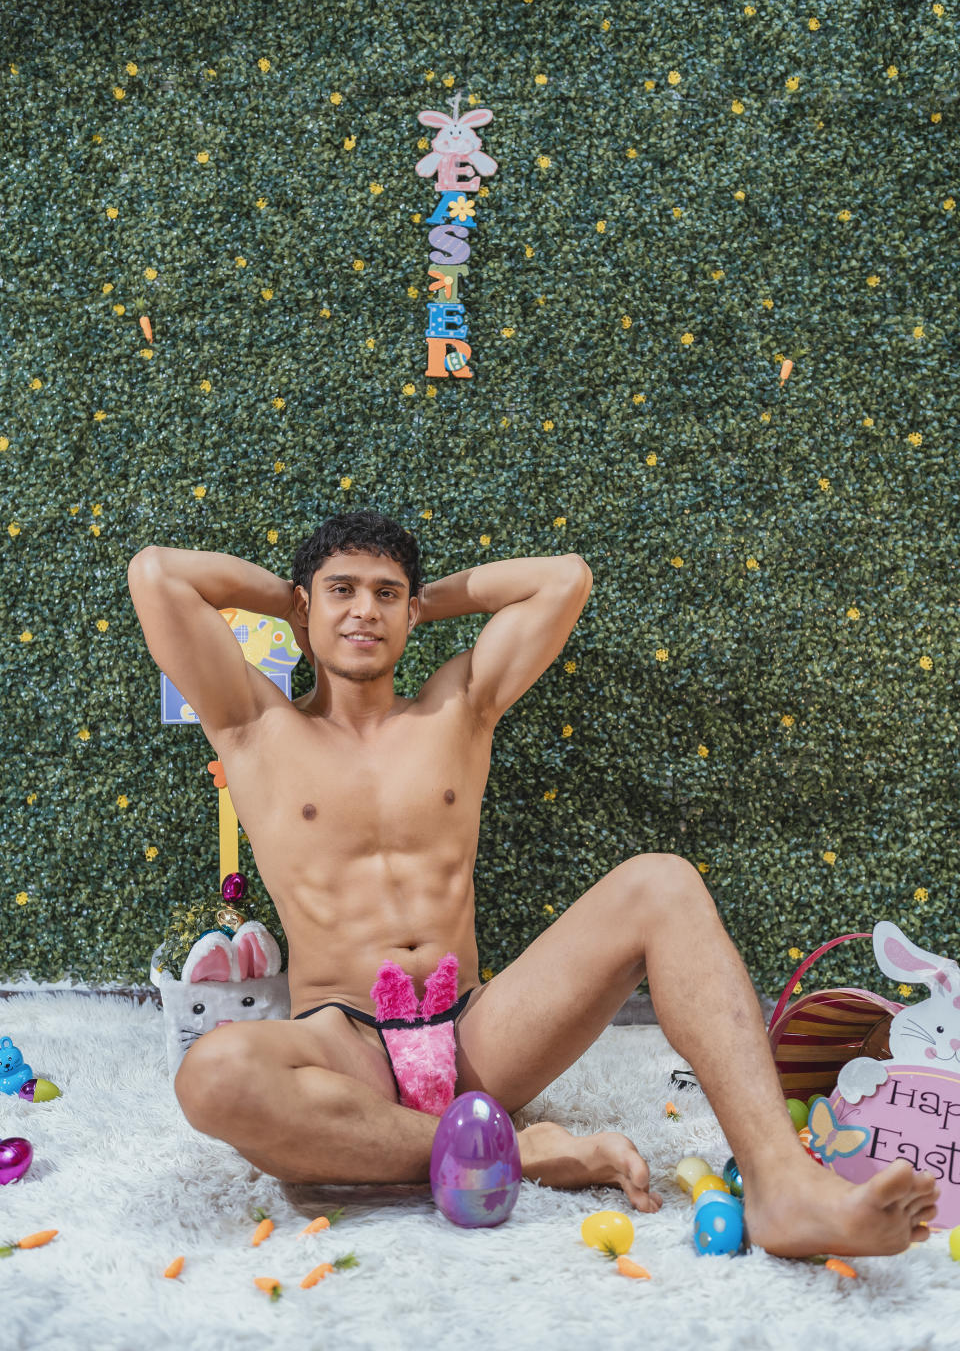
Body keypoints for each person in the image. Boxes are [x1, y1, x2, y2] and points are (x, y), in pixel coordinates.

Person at [127, 511, 938, 1258]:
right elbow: (156, 574)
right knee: (214, 1075)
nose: (365, 611)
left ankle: (781, 1183)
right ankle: (507, 1150)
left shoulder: (458, 706)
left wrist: (417, 602)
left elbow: (564, 579)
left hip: (478, 1034)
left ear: (411, 611)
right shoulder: (253, 723)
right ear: (306, 609)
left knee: (662, 882)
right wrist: (296, 600)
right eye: (343, 591)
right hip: (347, 1048)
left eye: (387, 594)